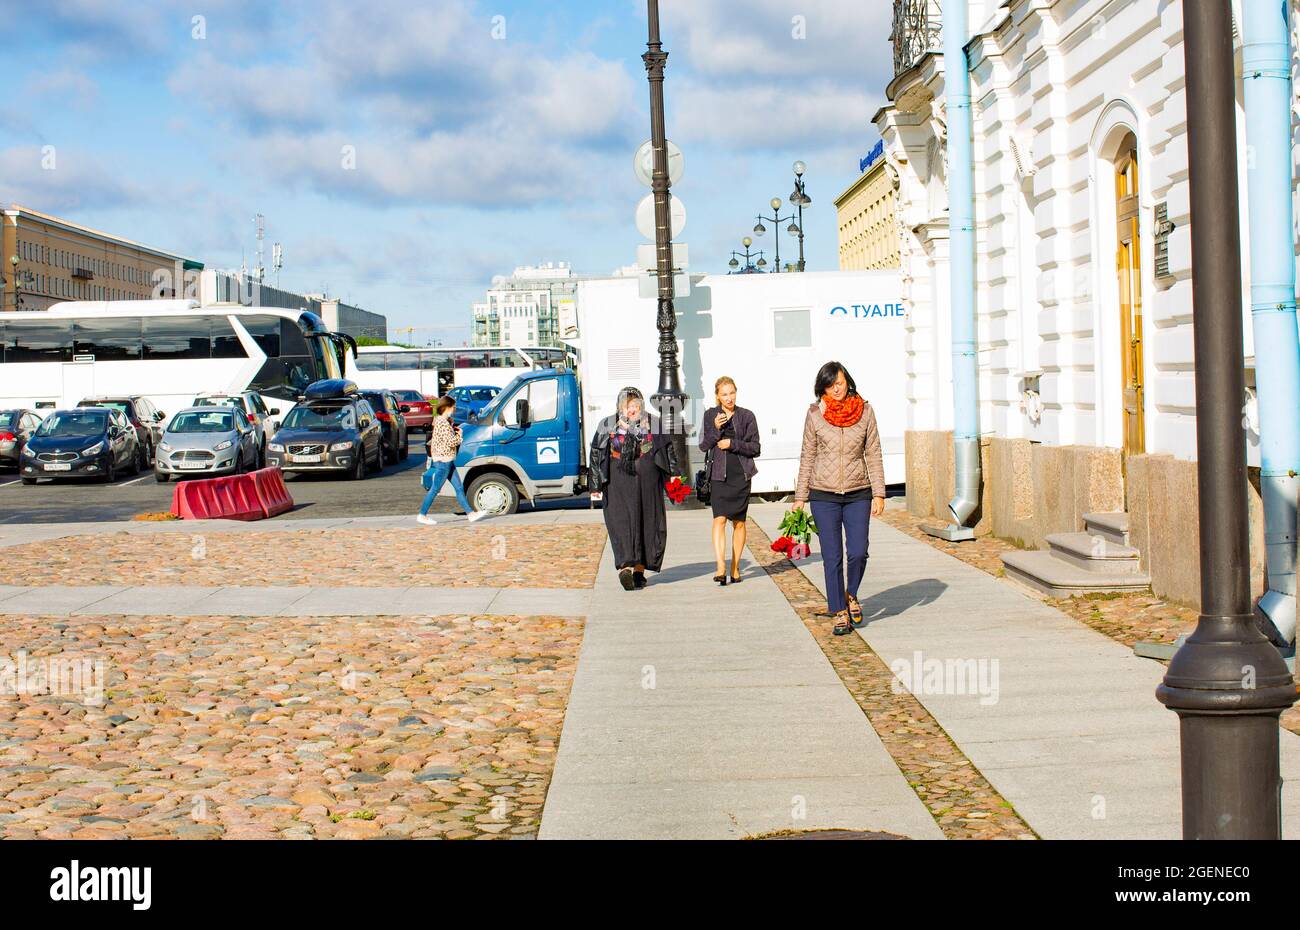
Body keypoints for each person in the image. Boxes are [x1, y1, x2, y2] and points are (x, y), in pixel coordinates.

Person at [793, 361, 886, 635]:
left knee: (858, 551)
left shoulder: (866, 411)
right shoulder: (814, 415)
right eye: (830, 384)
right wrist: (800, 496)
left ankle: (852, 593)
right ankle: (839, 610)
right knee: (832, 556)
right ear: (822, 386)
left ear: (848, 382)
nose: (836, 388)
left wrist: (879, 492)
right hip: (823, 494)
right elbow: (807, 455)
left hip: (859, 492)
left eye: (840, 382)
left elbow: (874, 453)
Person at [589, 386, 681, 590]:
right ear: (620, 406)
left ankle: (639, 571)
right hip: (618, 483)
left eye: (636, 405)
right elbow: (596, 453)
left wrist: (674, 477)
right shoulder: (607, 424)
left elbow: (668, 451)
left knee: (648, 523)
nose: (632, 409)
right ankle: (625, 568)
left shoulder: (654, 423)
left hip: (648, 482)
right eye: (628, 405)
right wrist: (595, 484)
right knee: (621, 523)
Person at [698, 376, 761, 585]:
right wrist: (715, 429)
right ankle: (720, 566)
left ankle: (734, 567)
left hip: (741, 475)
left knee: (739, 523)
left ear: (736, 392)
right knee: (719, 519)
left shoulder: (747, 416)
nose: (729, 398)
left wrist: (732, 443)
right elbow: (703, 445)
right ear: (717, 396)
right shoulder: (710, 415)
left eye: (731, 393)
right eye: (724, 394)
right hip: (719, 475)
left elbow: (755, 448)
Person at [417, 396, 486, 525]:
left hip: (446, 459)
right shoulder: (443, 423)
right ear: (446, 407)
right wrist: (460, 435)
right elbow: (451, 442)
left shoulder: (440, 420)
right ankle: (422, 514)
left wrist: (452, 426)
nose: (454, 409)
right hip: (444, 461)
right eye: (453, 407)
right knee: (435, 489)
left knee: (459, 488)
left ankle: (471, 514)